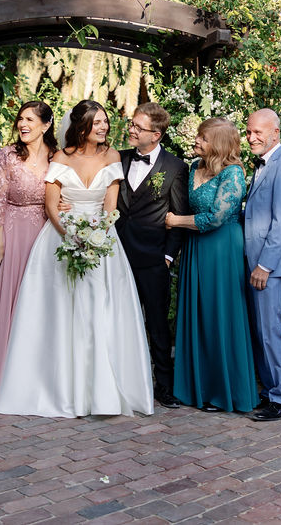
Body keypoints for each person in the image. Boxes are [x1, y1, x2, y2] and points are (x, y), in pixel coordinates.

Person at [0, 100, 154, 417]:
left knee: (99, 311)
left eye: (105, 122)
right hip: (61, 239)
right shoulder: (61, 157)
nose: (104, 127)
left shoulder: (112, 156)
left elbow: (111, 207)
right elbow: (52, 206)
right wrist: (70, 236)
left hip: (101, 242)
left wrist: (98, 238)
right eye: (97, 123)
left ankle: (101, 394)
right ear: (81, 127)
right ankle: (63, 390)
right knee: (60, 314)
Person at [166, 118, 257, 413]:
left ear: (217, 142)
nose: (197, 141)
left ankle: (222, 391)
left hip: (222, 249)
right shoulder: (194, 167)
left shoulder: (233, 174)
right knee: (197, 314)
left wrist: (176, 221)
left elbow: (216, 218)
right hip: (195, 248)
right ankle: (195, 388)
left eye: (203, 138)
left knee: (219, 314)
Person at [0, 100, 56, 402]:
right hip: (12, 231)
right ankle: (2, 381)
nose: (23, 125)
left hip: (47, 233)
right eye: (20, 119)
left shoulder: (57, 157)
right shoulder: (8, 154)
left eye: (30, 120)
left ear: (46, 125)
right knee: (10, 304)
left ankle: (37, 380)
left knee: (41, 305)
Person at [115, 102, 189, 409]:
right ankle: (119, 382)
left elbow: (180, 216)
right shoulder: (117, 159)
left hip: (154, 260)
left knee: (158, 325)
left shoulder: (175, 168)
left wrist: (168, 258)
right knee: (118, 322)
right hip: (117, 258)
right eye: (131, 124)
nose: (131, 130)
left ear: (155, 134)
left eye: (138, 127)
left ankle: (165, 386)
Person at [242, 109, 281, 421]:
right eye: (249, 131)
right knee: (260, 331)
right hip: (258, 264)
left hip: (271, 267)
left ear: (276, 133)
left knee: (269, 332)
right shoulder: (263, 165)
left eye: (258, 132)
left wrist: (264, 265)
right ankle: (269, 393)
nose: (252, 137)